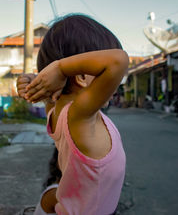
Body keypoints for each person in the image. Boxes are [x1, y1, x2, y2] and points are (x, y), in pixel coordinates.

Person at [17, 14, 128, 215]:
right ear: (83, 76)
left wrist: (37, 82)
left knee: (56, 194)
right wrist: (60, 69)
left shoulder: (55, 109)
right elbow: (119, 60)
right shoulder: (79, 116)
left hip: (66, 203)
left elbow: (50, 95)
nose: (115, 84)